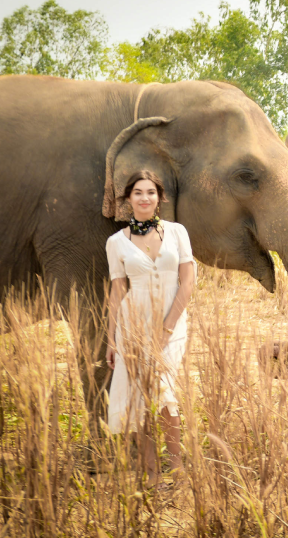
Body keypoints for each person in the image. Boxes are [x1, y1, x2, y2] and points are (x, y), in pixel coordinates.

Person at [105, 171, 195, 485]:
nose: (145, 198)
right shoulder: (116, 243)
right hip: (133, 323)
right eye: (138, 193)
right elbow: (117, 291)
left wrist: (168, 328)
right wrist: (111, 339)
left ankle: (177, 466)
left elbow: (188, 282)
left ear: (159, 198)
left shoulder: (177, 232)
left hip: (173, 321)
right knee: (140, 395)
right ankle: (152, 470)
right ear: (128, 200)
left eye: (151, 192)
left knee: (165, 389)